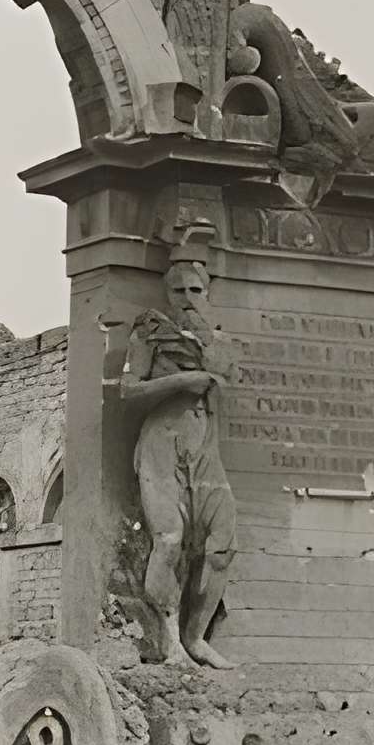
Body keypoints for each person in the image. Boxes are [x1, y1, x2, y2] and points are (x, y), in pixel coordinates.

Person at [121, 225, 237, 668]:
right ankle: (170, 641)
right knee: (169, 540)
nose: (187, 297)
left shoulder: (216, 340)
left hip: (203, 446)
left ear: (207, 292)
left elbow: (225, 377)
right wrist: (181, 381)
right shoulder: (149, 332)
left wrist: (204, 340)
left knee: (222, 543)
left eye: (196, 289)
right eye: (179, 290)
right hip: (161, 443)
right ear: (167, 293)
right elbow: (128, 390)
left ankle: (196, 636)